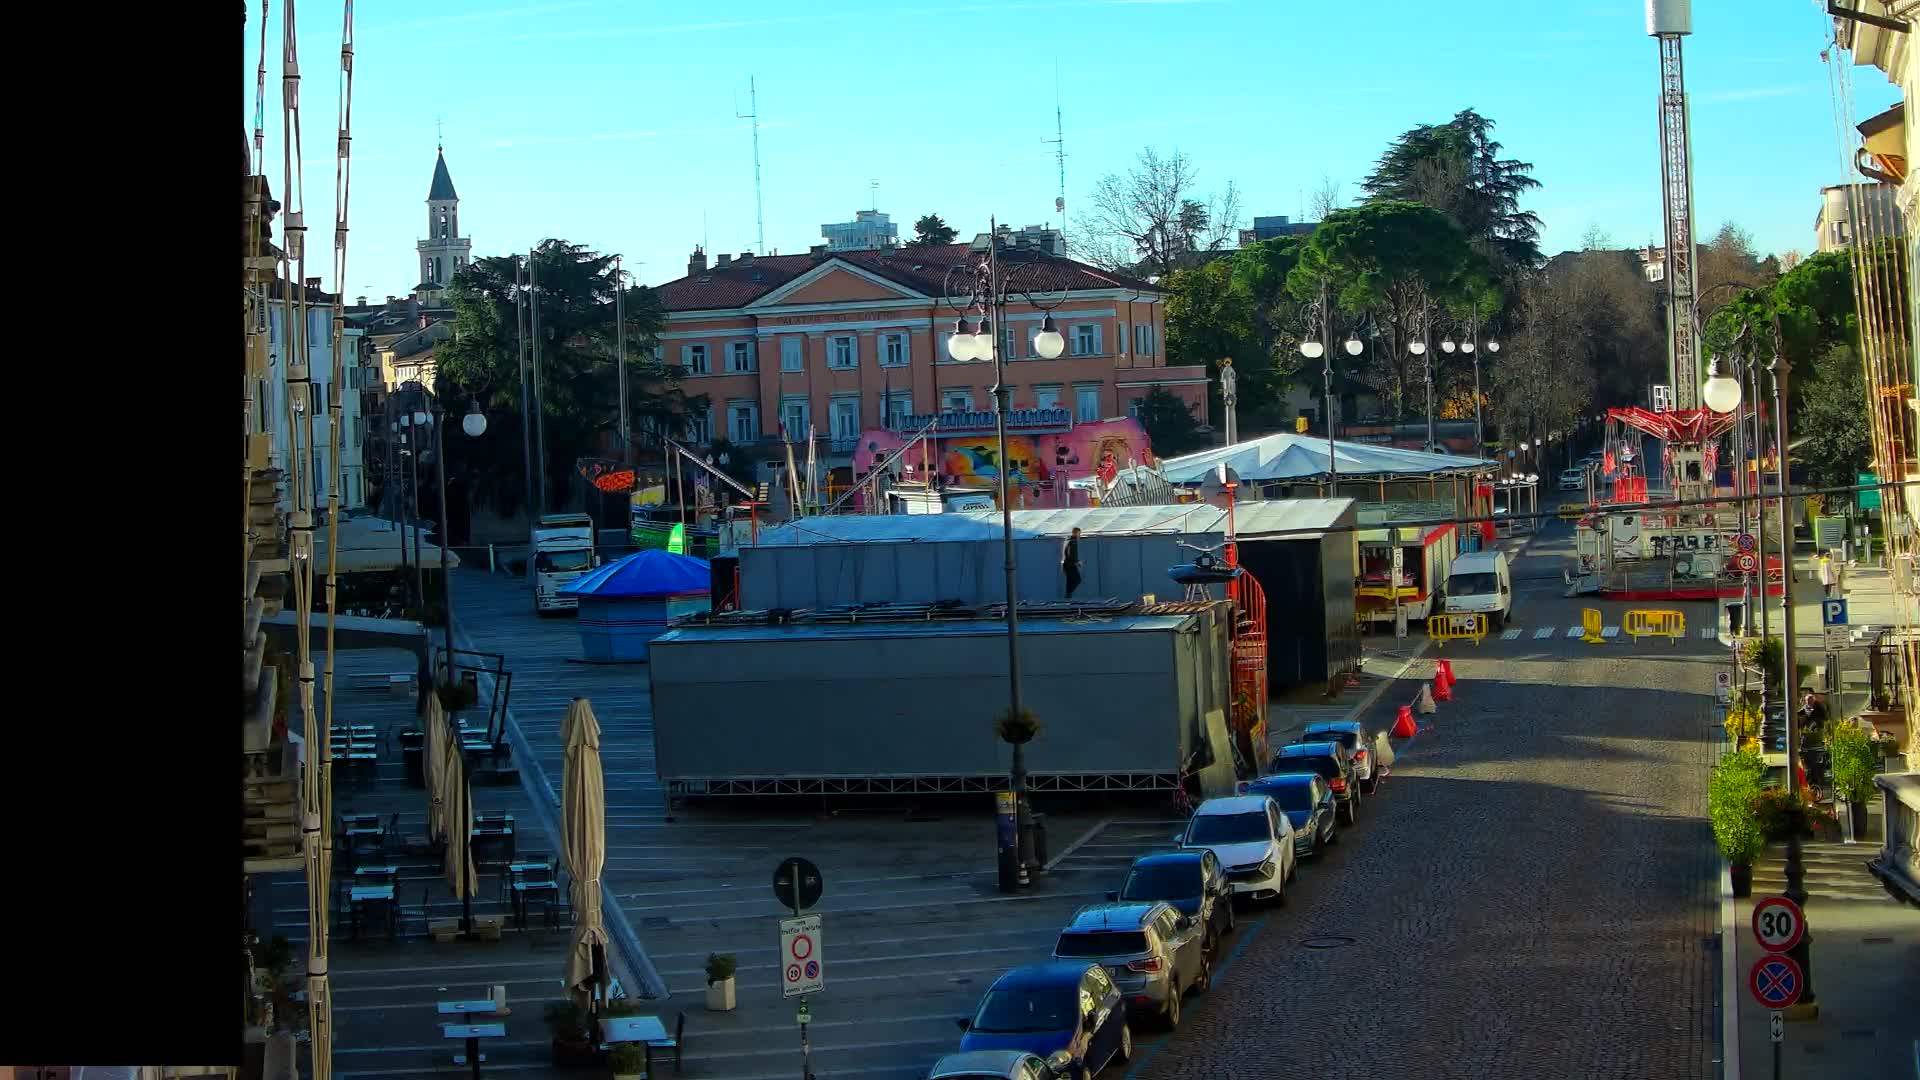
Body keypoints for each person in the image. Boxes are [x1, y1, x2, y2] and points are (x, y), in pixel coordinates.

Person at [1061, 526, 1083, 598]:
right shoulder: (1073, 541)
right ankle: (1068, 594)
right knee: (1077, 580)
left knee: (1070, 580)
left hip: (1066, 564)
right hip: (1070, 564)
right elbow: (1071, 553)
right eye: (1079, 533)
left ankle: (1068, 595)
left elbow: (1067, 553)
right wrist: (1077, 562)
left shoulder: (1067, 540)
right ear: (1074, 533)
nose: (1079, 535)